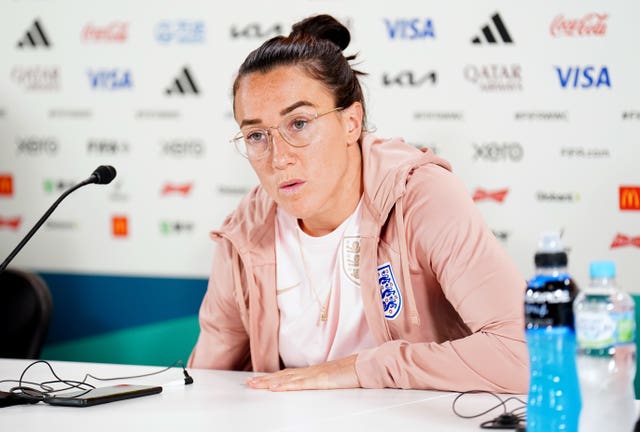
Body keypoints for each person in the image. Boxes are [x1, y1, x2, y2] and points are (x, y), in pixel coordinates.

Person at [188, 14, 528, 393]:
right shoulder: (245, 232)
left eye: (299, 123)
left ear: (351, 122)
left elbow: (522, 353)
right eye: (256, 135)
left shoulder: (421, 196)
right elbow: (205, 382)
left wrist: (360, 369)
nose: (278, 157)